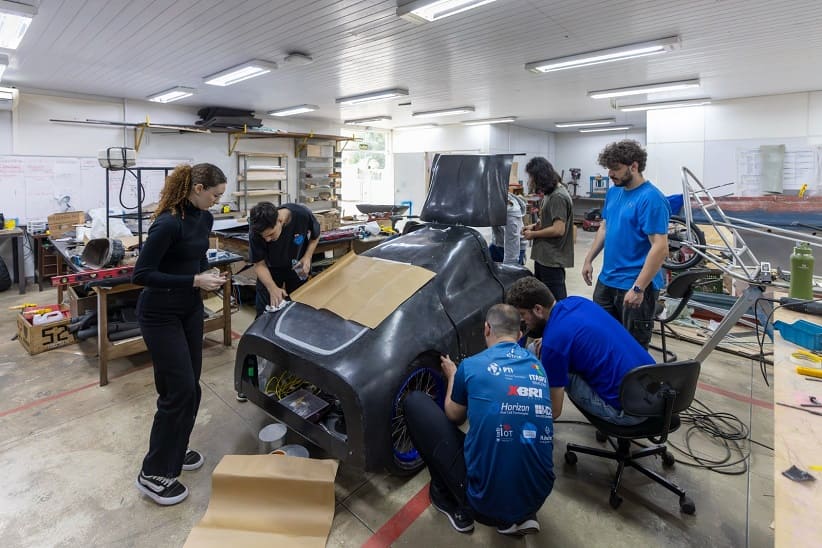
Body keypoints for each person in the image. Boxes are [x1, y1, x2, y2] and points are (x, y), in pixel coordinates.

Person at [403, 304, 554, 537]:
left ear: (486, 329)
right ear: (519, 334)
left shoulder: (471, 365)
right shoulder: (538, 368)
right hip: (538, 495)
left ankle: (450, 502)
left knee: (414, 402)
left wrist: (453, 375)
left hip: (484, 503)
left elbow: (454, 416)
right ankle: (519, 515)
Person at [132, 163, 228, 506]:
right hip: (159, 314)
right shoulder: (168, 222)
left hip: (188, 309)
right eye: (214, 195)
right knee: (178, 390)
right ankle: (153, 473)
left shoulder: (204, 218)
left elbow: (195, 258)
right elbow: (141, 274)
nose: (217, 202)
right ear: (198, 187)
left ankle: (176, 447)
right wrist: (193, 281)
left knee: (191, 386)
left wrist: (207, 272)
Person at [506, 276, 653, 426]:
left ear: (538, 309)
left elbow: (554, 412)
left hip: (629, 413)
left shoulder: (554, 344)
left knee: (543, 363)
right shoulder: (576, 302)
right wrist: (551, 338)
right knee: (534, 349)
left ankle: (519, 403)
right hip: (655, 395)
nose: (523, 322)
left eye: (523, 315)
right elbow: (570, 331)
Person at [581, 139, 670, 348]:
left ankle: (630, 381)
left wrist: (639, 288)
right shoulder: (614, 192)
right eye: (609, 168)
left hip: (634, 285)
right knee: (602, 339)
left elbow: (660, 247)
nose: (610, 174)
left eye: (616, 169)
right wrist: (588, 259)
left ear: (634, 166)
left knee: (632, 347)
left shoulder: (652, 198)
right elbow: (605, 226)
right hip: (607, 281)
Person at [248, 201, 320, 317]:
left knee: (299, 308)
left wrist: (307, 257)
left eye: (271, 234)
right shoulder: (255, 231)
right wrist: (272, 288)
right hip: (269, 269)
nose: (267, 240)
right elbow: (259, 264)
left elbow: (315, 236)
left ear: (280, 221)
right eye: (264, 236)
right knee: (264, 314)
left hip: (297, 265)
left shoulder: (302, 214)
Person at [522, 157, 574, 299]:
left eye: (532, 176)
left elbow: (558, 229)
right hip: (544, 256)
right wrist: (533, 227)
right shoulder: (550, 194)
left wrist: (533, 235)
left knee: (556, 301)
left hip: (551, 259)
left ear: (540, 176)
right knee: (543, 300)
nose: (530, 180)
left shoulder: (557, 196)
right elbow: (548, 221)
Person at [489, 192, 527, 265]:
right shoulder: (493, 198)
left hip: (514, 246)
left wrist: (510, 266)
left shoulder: (509, 209)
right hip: (498, 242)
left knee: (512, 272)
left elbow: (512, 242)